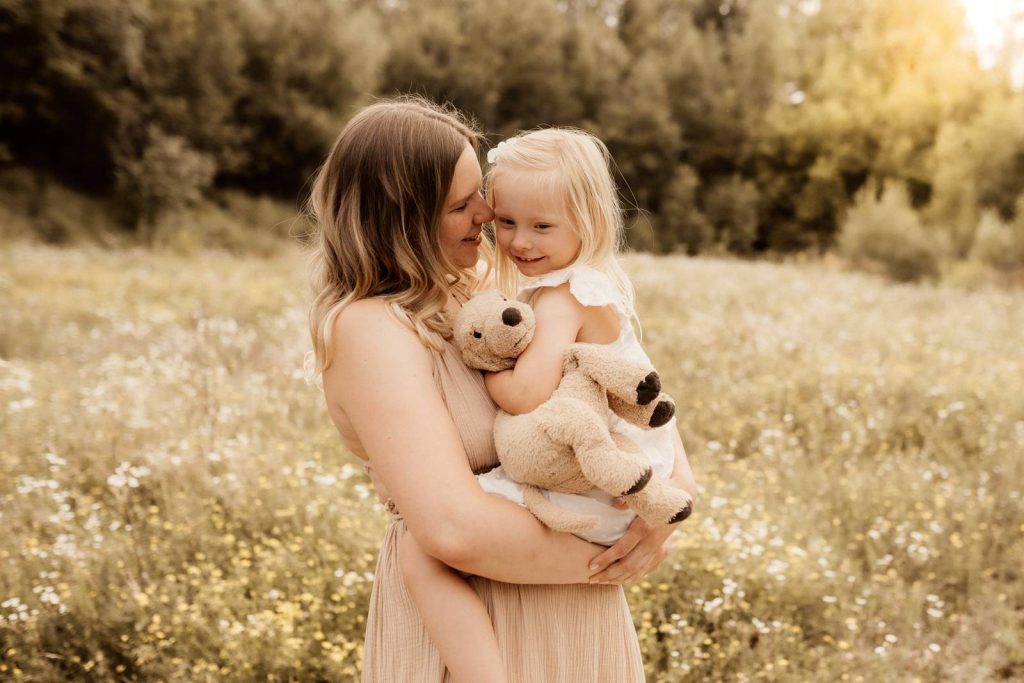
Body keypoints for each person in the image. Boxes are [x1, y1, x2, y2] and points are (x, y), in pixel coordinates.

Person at [307, 97, 698, 682]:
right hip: (477, 618)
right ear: (404, 218)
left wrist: (670, 497)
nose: (489, 214)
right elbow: (453, 530)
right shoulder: (371, 327)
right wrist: (612, 556)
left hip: (569, 602)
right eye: (463, 204)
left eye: (480, 194)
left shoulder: (489, 282)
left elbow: (616, 369)